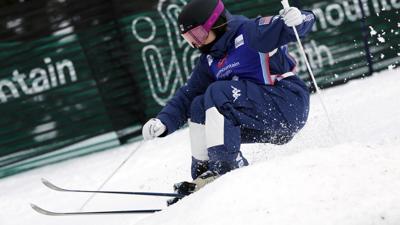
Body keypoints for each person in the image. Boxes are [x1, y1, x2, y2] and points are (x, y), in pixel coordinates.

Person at [142, 0, 316, 202]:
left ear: (217, 22)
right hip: (262, 117)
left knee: (218, 92)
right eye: (190, 39)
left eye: (199, 34)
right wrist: (163, 121)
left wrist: (299, 18)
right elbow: (187, 95)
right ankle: (204, 175)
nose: (197, 43)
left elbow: (295, 25)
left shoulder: (250, 32)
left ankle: (226, 168)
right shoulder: (210, 60)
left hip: (287, 102)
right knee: (198, 104)